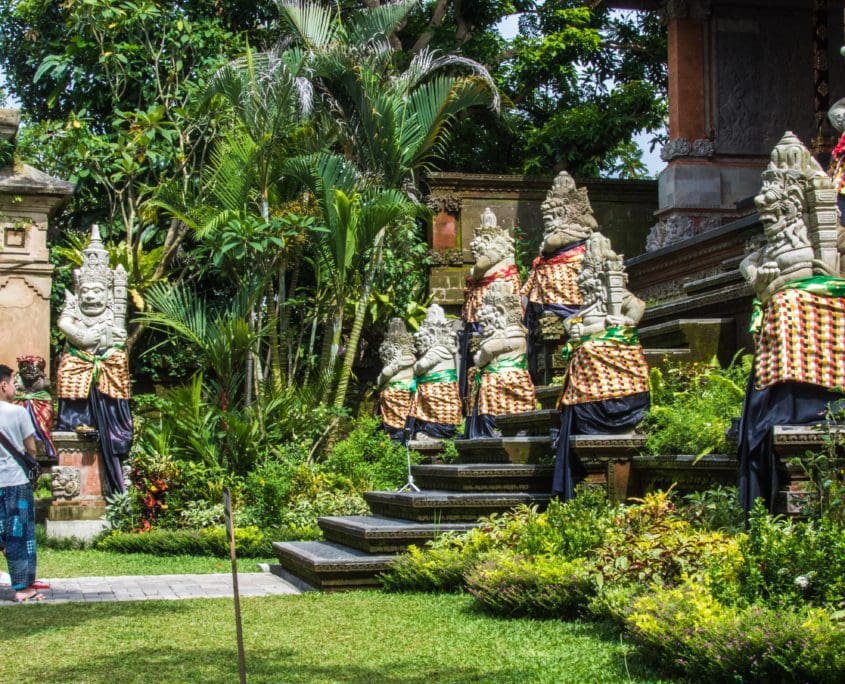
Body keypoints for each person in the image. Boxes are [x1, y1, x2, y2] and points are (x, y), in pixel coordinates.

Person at [0, 363, 44, 602]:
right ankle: (23, 588)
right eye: (13, 382)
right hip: (15, 482)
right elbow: (30, 448)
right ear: (3, 385)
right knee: (19, 535)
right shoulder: (17, 412)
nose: (16, 387)